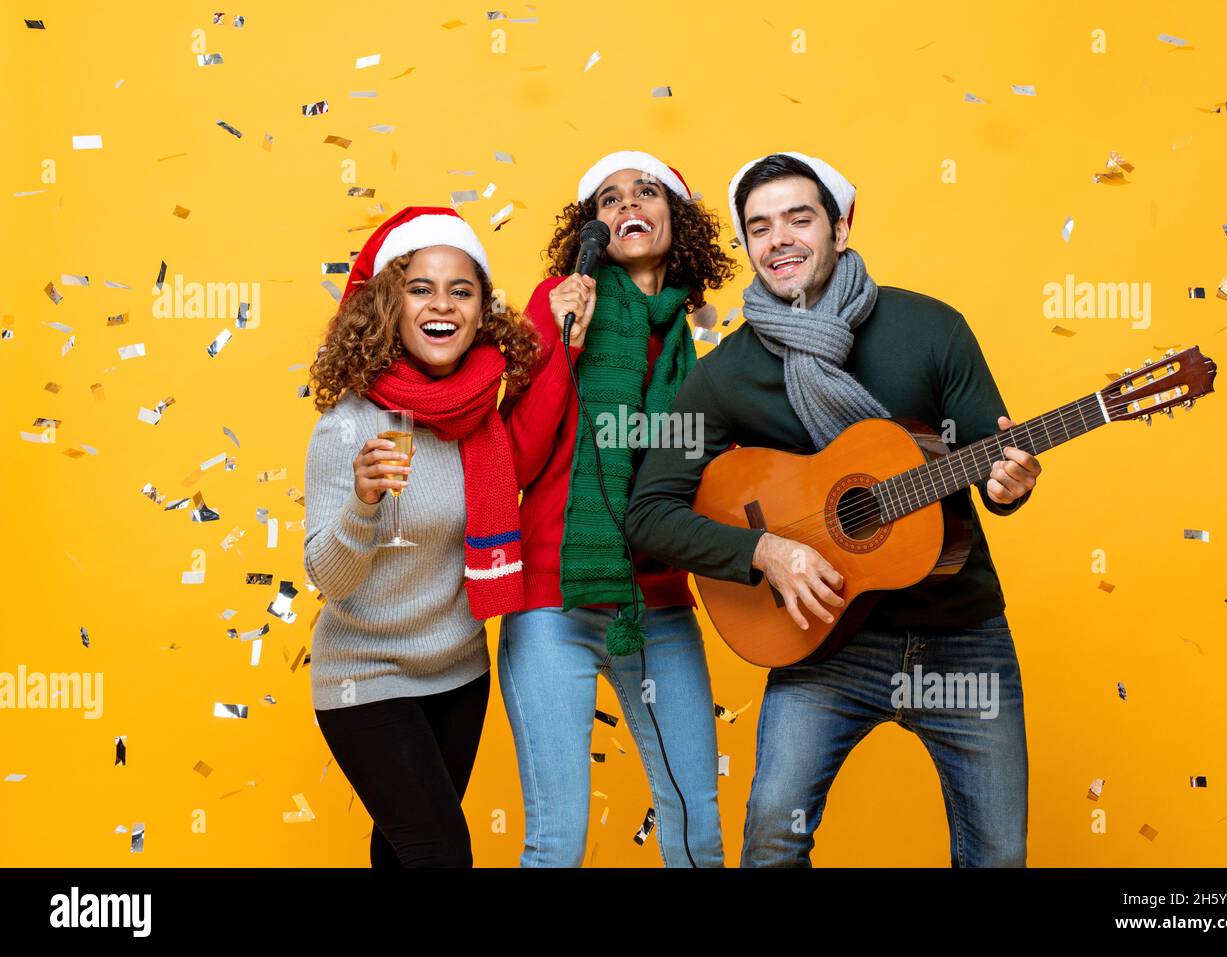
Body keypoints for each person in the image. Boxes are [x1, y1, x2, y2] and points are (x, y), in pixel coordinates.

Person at [625, 152, 1043, 867]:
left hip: (960, 636)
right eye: (759, 227)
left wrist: (1012, 483)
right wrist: (764, 552)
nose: (779, 238)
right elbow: (650, 513)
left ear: (841, 228)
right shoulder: (726, 373)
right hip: (822, 642)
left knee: (997, 853)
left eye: (799, 217)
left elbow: (994, 464)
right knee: (770, 839)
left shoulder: (932, 330)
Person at [497, 151, 737, 867]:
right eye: (607, 198)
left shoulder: (691, 346)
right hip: (551, 601)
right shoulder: (558, 302)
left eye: (645, 190)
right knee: (558, 841)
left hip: (656, 602)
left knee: (696, 828)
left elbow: (702, 482)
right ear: (591, 229)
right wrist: (563, 348)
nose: (627, 202)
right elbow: (515, 461)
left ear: (676, 220)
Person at [304, 206, 538, 867]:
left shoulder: (483, 414)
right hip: (367, 676)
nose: (443, 304)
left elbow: (554, 399)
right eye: (421, 287)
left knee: (401, 853)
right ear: (388, 305)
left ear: (480, 311)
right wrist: (363, 502)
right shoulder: (349, 427)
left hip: (459, 672)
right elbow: (328, 578)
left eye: (461, 290)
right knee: (440, 852)